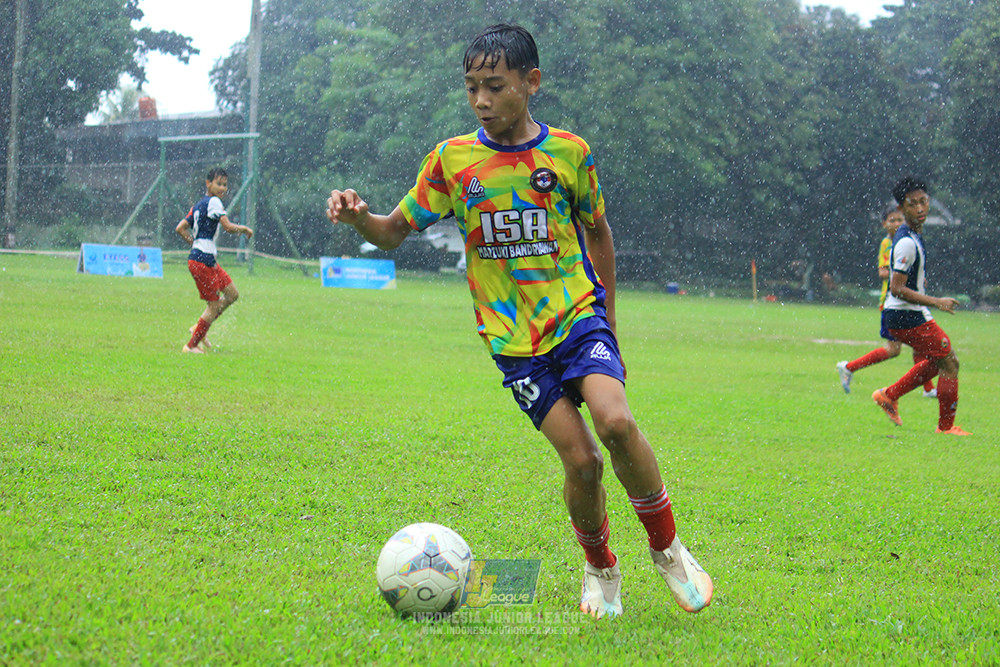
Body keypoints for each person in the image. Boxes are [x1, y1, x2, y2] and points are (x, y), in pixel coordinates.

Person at [325, 24, 712, 618]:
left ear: (531, 83)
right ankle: (600, 569)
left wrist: (609, 323)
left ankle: (668, 551)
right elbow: (394, 231)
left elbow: (598, 233)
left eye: (495, 86)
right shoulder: (453, 162)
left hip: (579, 317)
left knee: (615, 423)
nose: (481, 100)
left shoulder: (569, 153)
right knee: (582, 462)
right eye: (472, 88)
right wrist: (359, 221)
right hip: (513, 343)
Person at [871, 176, 969, 435]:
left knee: (941, 360)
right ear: (902, 208)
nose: (920, 209)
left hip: (908, 314)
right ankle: (945, 429)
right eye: (912, 204)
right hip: (904, 315)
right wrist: (937, 301)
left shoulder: (913, 235)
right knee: (950, 363)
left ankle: (889, 395)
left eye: (923, 202)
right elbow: (897, 288)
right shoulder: (905, 242)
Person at [837, 204, 936, 397]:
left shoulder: (908, 240)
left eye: (900, 220)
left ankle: (928, 388)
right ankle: (849, 367)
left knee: (913, 345)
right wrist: (903, 272)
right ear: (884, 224)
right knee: (897, 348)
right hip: (892, 302)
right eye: (893, 220)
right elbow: (883, 272)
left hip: (906, 302)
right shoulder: (888, 244)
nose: (897, 223)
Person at [175, 167, 253, 353]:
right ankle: (191, 345)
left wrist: (194, 243)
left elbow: (180, 228)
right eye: (218, 183)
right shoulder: (214, 202)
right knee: (214, 305)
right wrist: (243, 229)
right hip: (203, 260)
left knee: (232, 294)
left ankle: (199, 328)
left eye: (225, 185)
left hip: (206, 260)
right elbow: (226, 226)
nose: (222, 188)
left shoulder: (199, 205)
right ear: (208, 183)